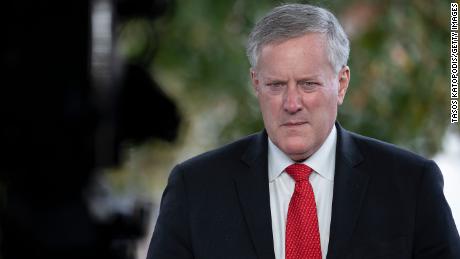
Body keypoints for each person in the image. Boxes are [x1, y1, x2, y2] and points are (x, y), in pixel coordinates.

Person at [147, 3, 460, 259]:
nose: (292, 103)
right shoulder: (195, 189)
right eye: (276, 85)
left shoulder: (411, 185)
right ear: (256, 84)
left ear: (341, 83)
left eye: (308, 84)